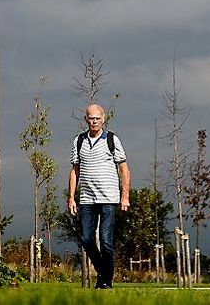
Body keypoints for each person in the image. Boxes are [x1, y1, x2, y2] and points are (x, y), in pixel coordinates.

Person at [67, 103, 130, 289]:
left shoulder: (112, 139)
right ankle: (103, 272)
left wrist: (124, 196)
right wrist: (71, 197)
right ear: (86, 119)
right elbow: (74, 171)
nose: (94, 121)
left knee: (105, 240)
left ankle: (106, 281)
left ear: (103, 119)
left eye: (97, 118)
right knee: (86, 239)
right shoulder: (79, 141)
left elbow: (124, 169)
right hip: (86, 199)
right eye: (91, 118)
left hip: (109, 198)